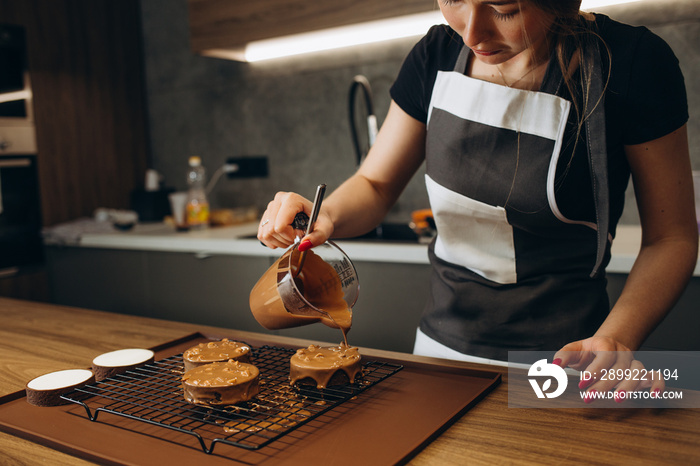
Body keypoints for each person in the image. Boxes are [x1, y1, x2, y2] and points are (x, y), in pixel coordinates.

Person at [258, 0, 698, 398]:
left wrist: (617, 340)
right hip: (437, 357)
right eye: (453, 0)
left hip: (565, 367)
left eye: (503, 8)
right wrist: (325, 213)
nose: (470, 34)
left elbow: (671, 237)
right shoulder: (435, 54)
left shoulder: (633, 63)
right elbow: (375, 184)